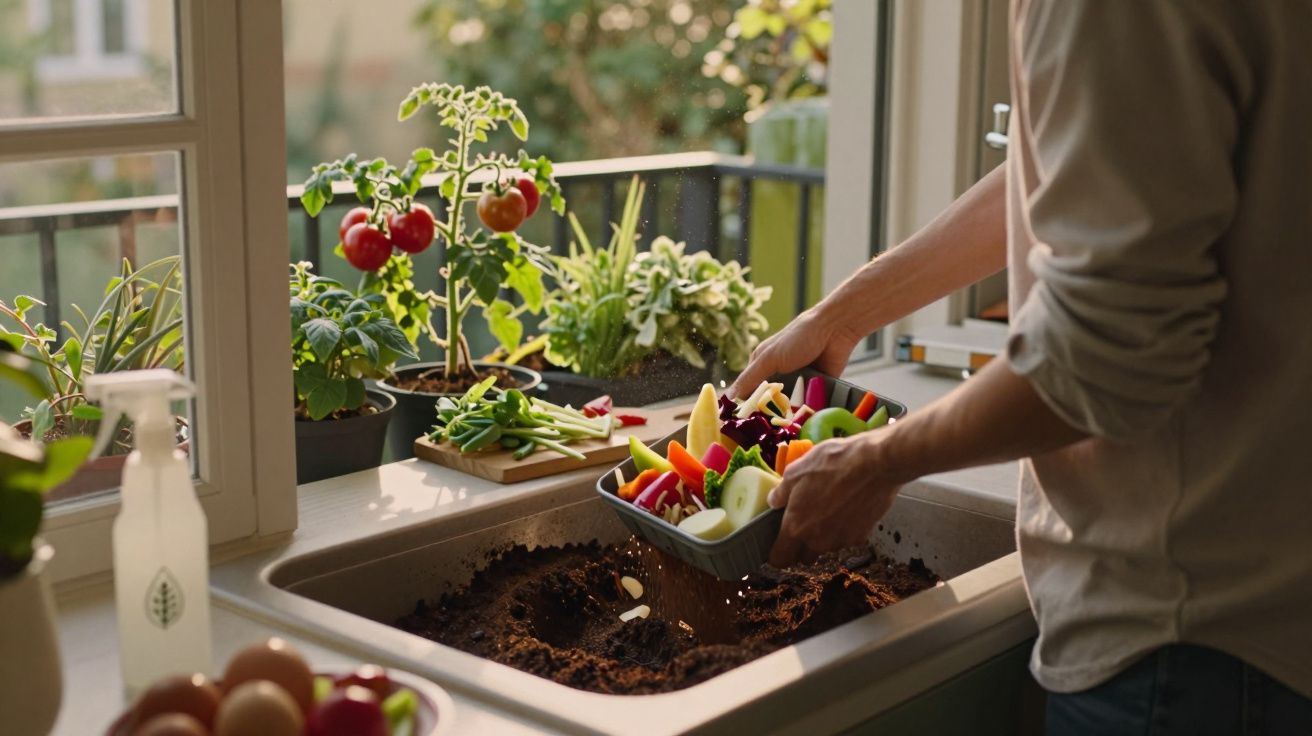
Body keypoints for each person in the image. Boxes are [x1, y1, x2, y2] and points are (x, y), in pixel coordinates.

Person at [730, 2, 1312, 733]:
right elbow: (1086, 166)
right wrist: (844, 316)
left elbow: (1107, 348)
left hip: (1193, 642)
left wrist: (877, 462)